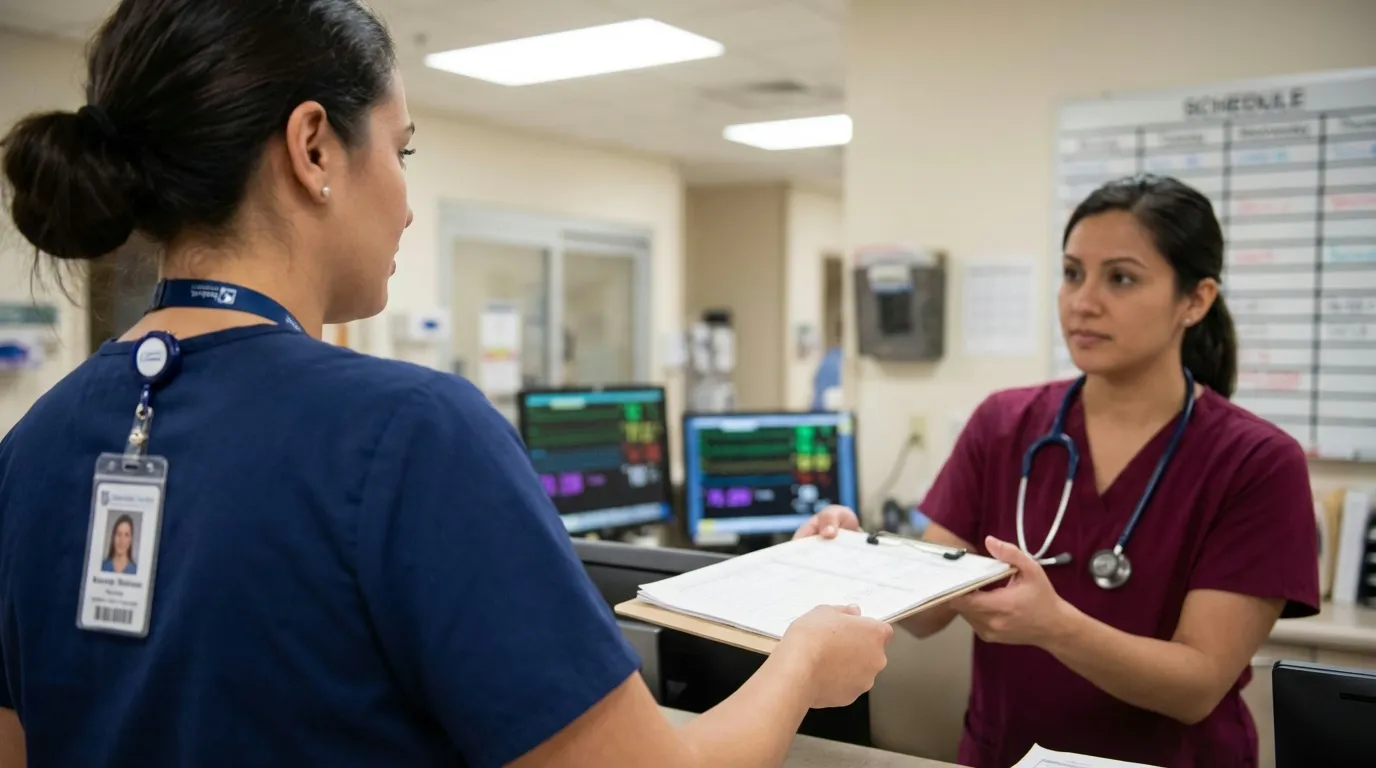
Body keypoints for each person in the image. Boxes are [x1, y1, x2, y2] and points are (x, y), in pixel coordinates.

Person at [0, 1, 894, 766]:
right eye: (403, 151)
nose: (408, 201)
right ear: (314, 147)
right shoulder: (412, 431)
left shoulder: (32, 445)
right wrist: (806, 661)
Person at [797, 174, 1319, 768]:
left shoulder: (1256, 462)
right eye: (1072, 273)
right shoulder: (1004, 424)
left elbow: (1198, 686)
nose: (1083, 301)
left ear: (1195, 301)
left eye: (1120, 278)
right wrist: (852, 558)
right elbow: (930, 612)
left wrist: (1055, 627)